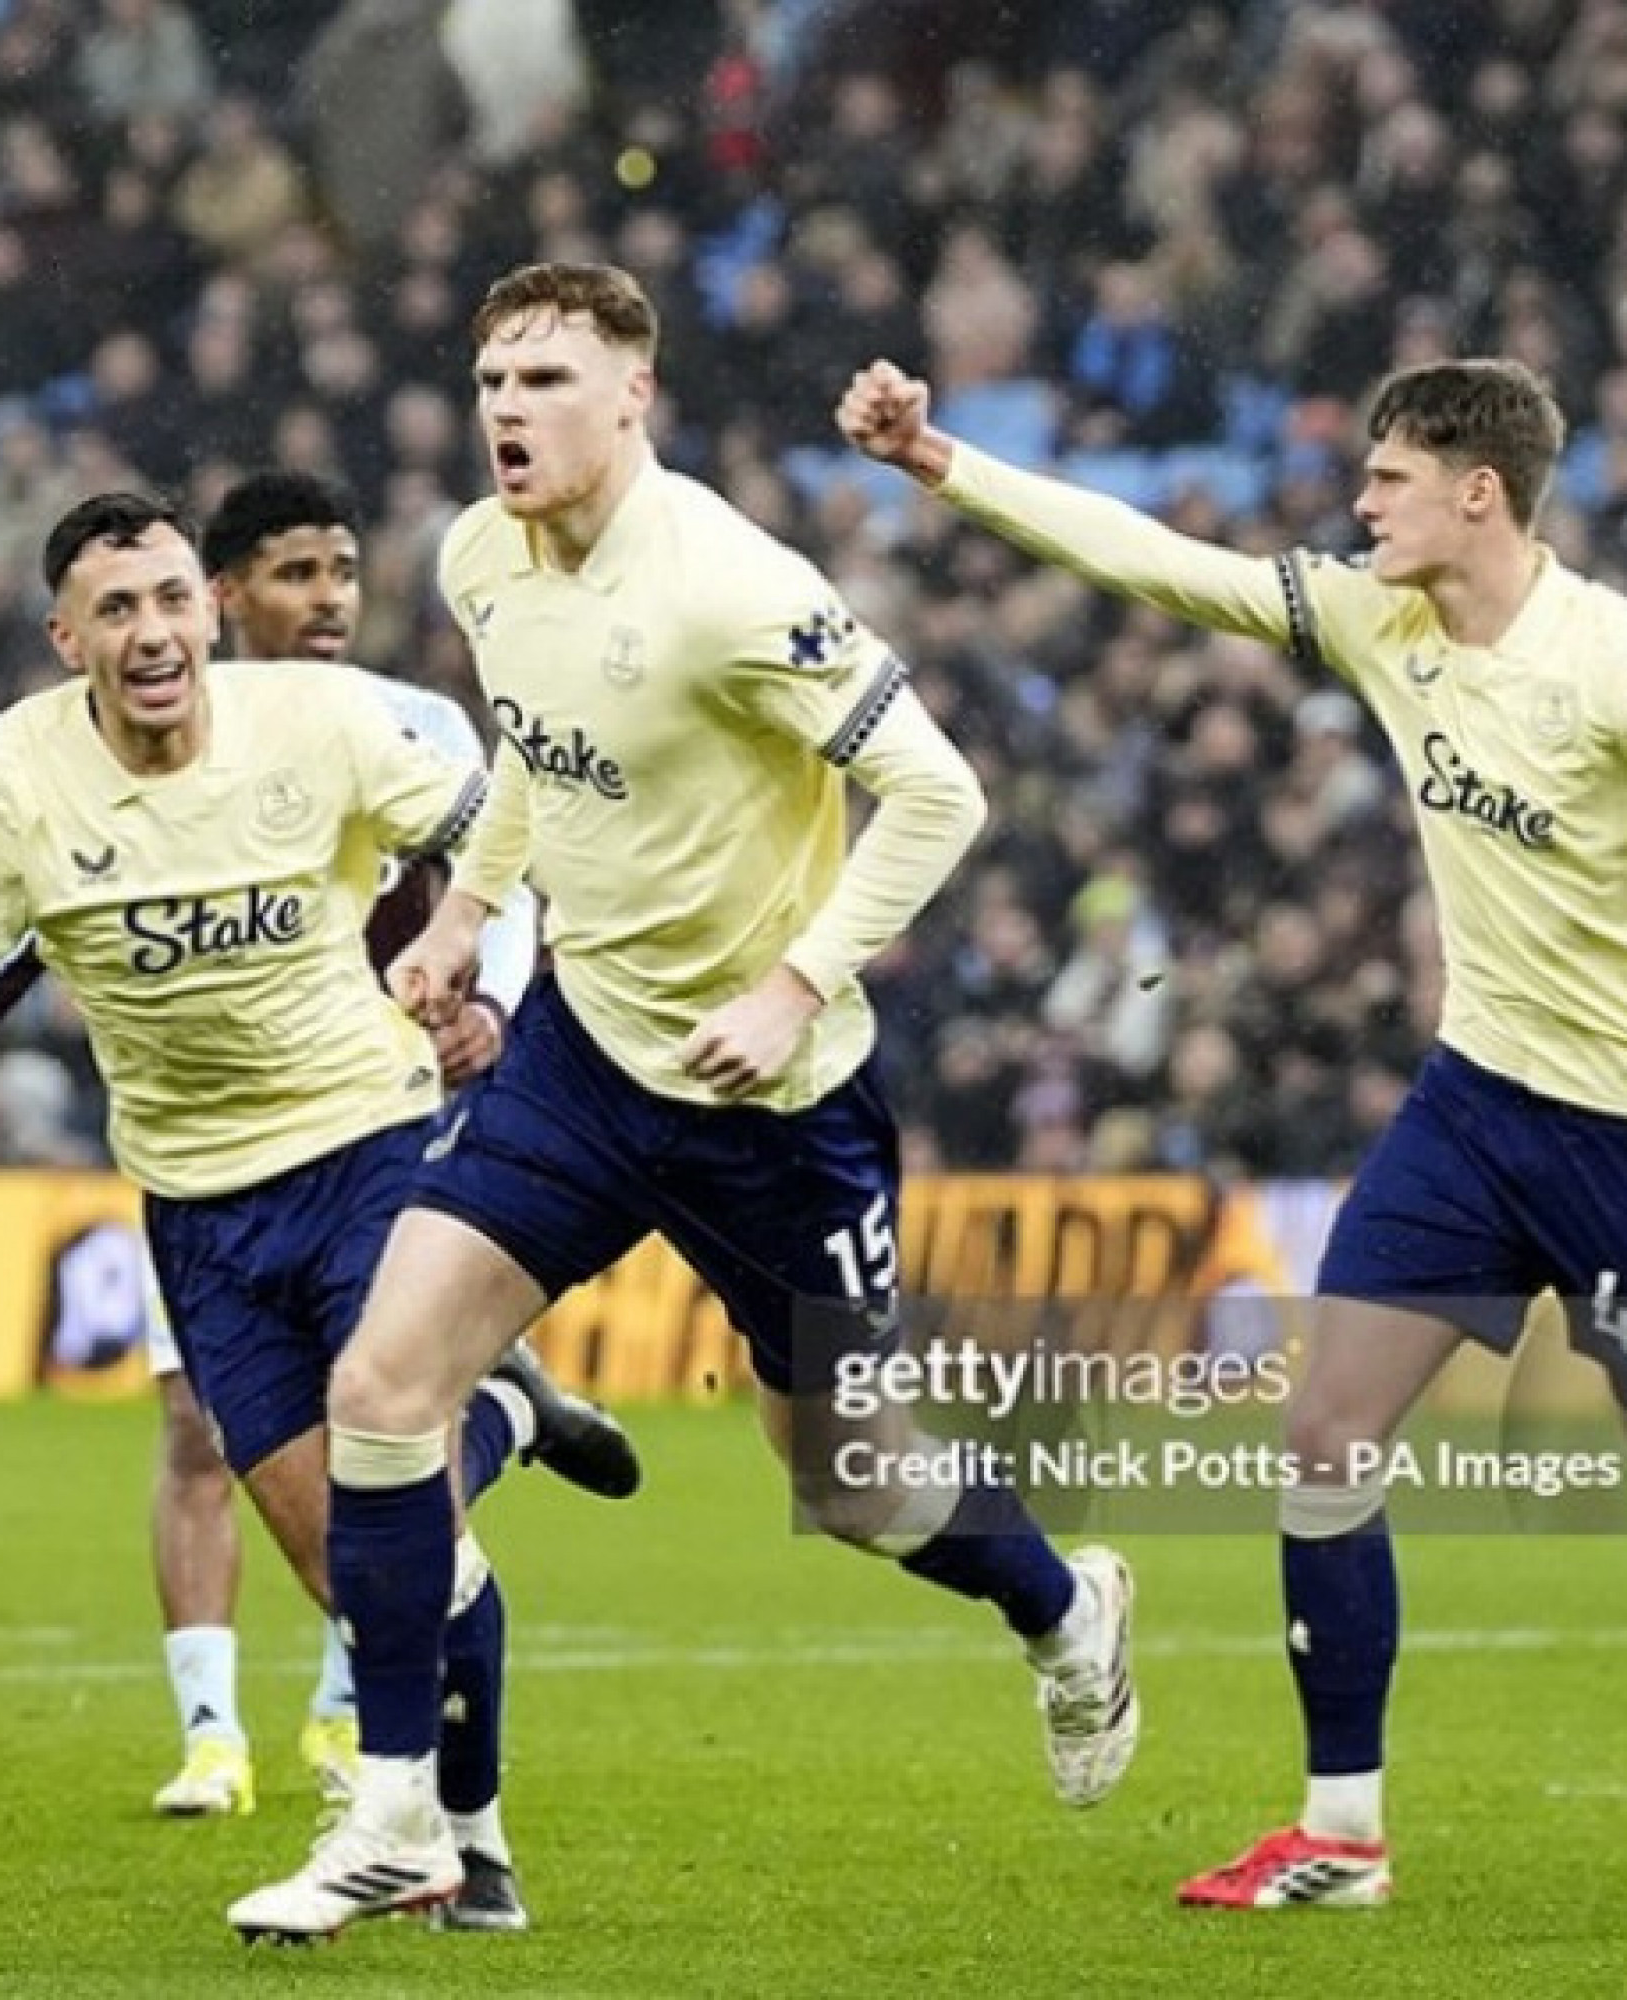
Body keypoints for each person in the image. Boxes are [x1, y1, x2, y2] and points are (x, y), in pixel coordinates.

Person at [225, 263, 1140, 1947]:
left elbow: (940, 793)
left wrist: (796, 980)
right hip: (583, 1061)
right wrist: (464, 917)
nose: (508, 410)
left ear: (634, 394)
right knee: (383, 1385)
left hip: (776, 1107)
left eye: (548, 380)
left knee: (848, 1483)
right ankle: (398, 1816)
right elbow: (534, 751)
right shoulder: (481, 555)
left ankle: (1065, 1607)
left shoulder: (733, 586)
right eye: (493, 378)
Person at [837, 352, 1627, 1909]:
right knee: (1326, 1436)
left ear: (1480, 492)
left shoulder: (1603, 664)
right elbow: (1165, 565)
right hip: (1476, 1110)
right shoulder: (1383, 620)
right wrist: (942, 463)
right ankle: (1341, 1834)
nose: (1359, 503)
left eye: (1388, 479)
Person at [0, 491, 610, 1932]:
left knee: (398, 1515)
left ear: (211, 612)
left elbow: (517, 820)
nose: (153, 632)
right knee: (355, 1565)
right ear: (67, 639)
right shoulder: (10, 783)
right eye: (116, 610)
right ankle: (500, 1436)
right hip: (197, 1212)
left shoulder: (327, 721)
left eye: (172, 599)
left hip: (370, 1149)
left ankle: (438, 1836)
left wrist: (468, 951)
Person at [149, 469, 638, 1831]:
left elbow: (508, 874)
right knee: (197, 1429)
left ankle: (354, 1713)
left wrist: (491, 1005)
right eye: (296, 573)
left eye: (345, 570)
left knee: (371, 1414)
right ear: (224, 594)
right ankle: (210, 1736)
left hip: (376, 1118)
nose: (330, 599)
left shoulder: (416, 723)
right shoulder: (156, 737)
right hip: (203, 1135)